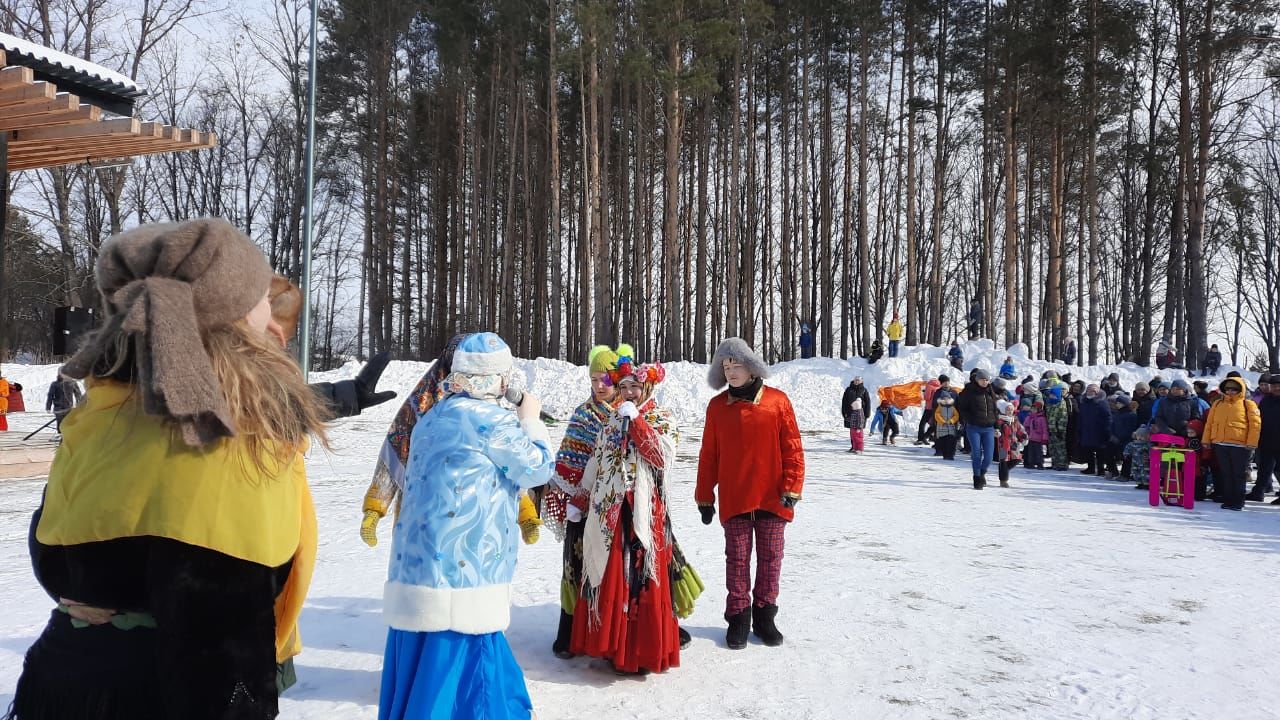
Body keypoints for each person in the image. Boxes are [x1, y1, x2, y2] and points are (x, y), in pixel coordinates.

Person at [11, 218, 332, 719]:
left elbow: (52, 553)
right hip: (172, 692)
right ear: (238, 311)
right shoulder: (233, 441)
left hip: (62, 681)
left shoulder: (103, 409)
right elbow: (223, 622)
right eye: (261, 296)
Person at [380, 332, 553, 718]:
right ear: (498, 378)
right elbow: (538, 467)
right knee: (462, 686)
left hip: (418, 575)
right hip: (466, 579)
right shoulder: (492, 422)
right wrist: (531, 420)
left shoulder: (431, 416)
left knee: (426, 673)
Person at [570, 354, 682, 675]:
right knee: (610, 574)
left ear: (647, 387)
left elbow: (661, 458)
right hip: (611, 513)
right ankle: (611, 645)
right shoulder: (612, 420)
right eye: (625, 386)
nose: (629, 392)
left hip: (643, 513)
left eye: (635, 386)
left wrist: (638, 423)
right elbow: (597, 460)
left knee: (639, 580)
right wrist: (580, 497)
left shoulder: (661, 418)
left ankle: (638, 652)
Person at [697, 337, 804, 650]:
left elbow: (793, 449)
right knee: (738, 559)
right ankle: (739, 618)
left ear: (752, 368)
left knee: (771, 558)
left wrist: (792, 487)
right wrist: (705, 497)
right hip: (736, 496)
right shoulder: (718, 408)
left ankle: (765, 616)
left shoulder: (777, 402)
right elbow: (708, 456)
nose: (730, 372)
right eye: (726, 366)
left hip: (773, 496)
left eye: (736, 365)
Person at [543, 344, 622, 657]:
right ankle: (568, 628)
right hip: (581, 505)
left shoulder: (626, 411)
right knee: (575, 564)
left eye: (605, 379)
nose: (599, 385)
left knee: (614, 568)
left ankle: (613, 631)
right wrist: (567, 492)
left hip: (615, 505)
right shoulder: (582, 414)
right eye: (594, 380)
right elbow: (569, 458)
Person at [359, 335, 466, 548]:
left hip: (472, 520)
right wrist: (375, 508)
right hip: (421, 512)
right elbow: (395, 449)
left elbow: (508, 462)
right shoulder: (421, 405)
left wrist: (524, 509)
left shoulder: (489, 413)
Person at [1201, 376, 1261, 511]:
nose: (1230, 392)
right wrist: (1206, 440)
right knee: (1225, 473)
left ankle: (1238, 501)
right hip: (1220, 444)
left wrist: (1252, 443)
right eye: (1227, 389)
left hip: (1240, 446)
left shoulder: (1248, 404)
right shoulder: (1217, 404)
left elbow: (1255, 425)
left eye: (1234, 389)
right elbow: (1210, 423)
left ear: (1240, 389)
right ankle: (1228, 500)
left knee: (1238, 474)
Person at [956, 368, 999, 489]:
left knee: (989, 457)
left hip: (989, 428)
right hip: (974, 427)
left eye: (986, 380)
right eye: (982, 379)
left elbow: (994, 410)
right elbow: (962, 408)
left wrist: (997, 426)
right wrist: (969, 419)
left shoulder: (990, 391)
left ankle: (982, 473)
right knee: (976, 454)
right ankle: (976, 478)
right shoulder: (969, 391)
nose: (984, 382)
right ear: (977, 380)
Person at [1246, 374, 1279, 503]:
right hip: (1266, 440)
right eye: (1274, 386)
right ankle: (1258, 492)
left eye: (1278, 386)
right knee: (1263, 469)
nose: (1276, 388)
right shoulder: (1266, 400)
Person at [1077, 385, 1113, 477]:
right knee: (1088, 450)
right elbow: (1081, 416)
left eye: (1092, 391)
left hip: (1099, 430)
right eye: (1088, 391)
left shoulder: (1102, 403)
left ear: (1097, 392)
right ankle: (1090, 468)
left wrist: (1106, 429)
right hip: (1086, 430)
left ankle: (1100, 469)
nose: (1090, 393)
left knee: (1100, 451)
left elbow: (1108, 417)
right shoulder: (1084, 402)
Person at [994, 400, 1027, 488]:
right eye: (1008, 409)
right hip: (1002, 446)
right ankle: (1003, 480)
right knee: (1003, 462)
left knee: (1017, 459)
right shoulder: (1000, 421)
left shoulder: (1015, 420)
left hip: (1013, 444)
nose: (1010, 411)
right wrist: (997, 433)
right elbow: (996, 430)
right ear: (1003, 411)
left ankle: (1003, 471)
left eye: (1011, 409)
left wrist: (1024, 436)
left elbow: (1020, 429)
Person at [841, 377, 871, 453]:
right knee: (852, 431)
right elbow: (844, 401)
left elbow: (868, 402)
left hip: (861, 414)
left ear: (861, 381)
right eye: (855, 380)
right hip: (850, 412)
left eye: (858, 380)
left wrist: (867, 413)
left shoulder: (864, 390)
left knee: (858, 431)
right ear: (853, 381)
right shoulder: (848, 389)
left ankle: (859, 448)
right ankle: (853, 447)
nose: (857, 382)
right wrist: (844, 412)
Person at [1045, 386, 1070, 470]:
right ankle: (1055, 463)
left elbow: (1063, 417)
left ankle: (1062, 464)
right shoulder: (1049, 403)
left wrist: (1061, 430)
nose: (1051, 397)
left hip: (1058, 430)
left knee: (1060, 448)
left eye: (1053, 395)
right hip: (1051, 429)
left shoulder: (1061, 403)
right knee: (1052, 447)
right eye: (1051, 395)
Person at [933, 389, 961, 460]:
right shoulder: (940, 407)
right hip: (942, 427)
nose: (946, 399)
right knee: (943, 442)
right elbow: (937, 415)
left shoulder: (952, 407)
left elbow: (956, 415)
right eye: (944, 398)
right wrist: (942, 421)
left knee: (951, 442)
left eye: (948, 398)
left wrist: (951, 420)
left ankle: (950, 455)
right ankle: (945, 454)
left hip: (951, 427)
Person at [1023, 400, 1048, 470]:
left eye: (1035, 409)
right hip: (1031, 438)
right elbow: (1026, 425)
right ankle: (1031, 463)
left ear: (1039, 409)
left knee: (1038, 452)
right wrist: (1026, 431)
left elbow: (1044, 429)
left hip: (1038, 438)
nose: (1033, 410)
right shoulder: (1030, 417)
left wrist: (1044, 438)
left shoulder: (1042, 418)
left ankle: (1040, 463)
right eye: (1032, 409)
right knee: (1031, 452)